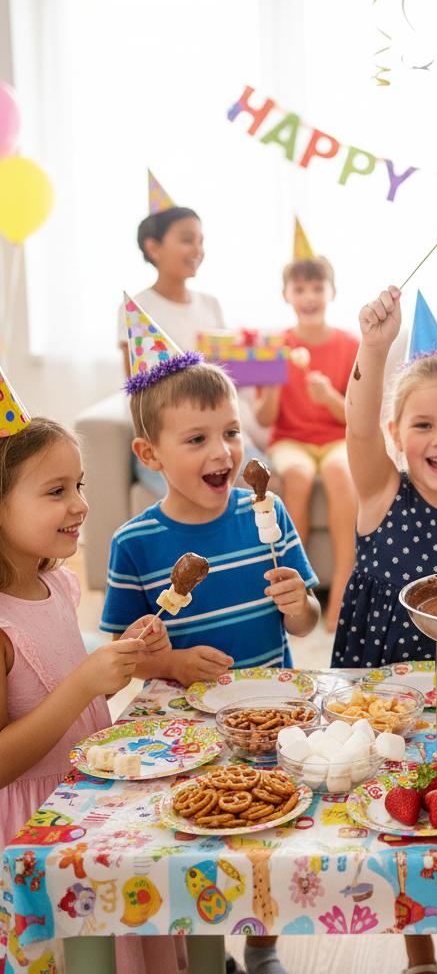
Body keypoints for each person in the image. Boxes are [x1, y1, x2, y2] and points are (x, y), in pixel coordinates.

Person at [102, 308, 319, 974]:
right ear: (150, 455)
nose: (223, 452)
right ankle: (202, 947)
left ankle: (260, 945)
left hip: (271, 715)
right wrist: (167, 658)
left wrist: (300, 604)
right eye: (196, 439)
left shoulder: (269, 514)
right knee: (198, 838)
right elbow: (118, 658)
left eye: (229, 432)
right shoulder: (135, 544)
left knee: (266, 834)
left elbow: (309, 620)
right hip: (181, 726)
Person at [331, 286, 437, 974]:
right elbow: (356, 430)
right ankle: (419, 951)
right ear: (398, 436)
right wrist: (374, 347)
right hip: (388, 692)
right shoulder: (380, 491)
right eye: (423, 425)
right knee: (407, 816)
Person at [0, 400, 180, 973]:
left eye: (77, 485)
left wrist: (118, 662)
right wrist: (84, 683)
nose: (80, 504)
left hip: (92, 800)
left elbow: (62, 695)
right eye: (55, 492)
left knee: (127, 942)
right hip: (36, 826)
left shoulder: (59, 587)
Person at [119, 202, 267, 494]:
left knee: (265, 481)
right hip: (175, 433)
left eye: (201, 241)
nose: (198, 249)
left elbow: (226, 376)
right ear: (154, 247)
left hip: (215, 426)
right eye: (187, 239)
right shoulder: (138, 308)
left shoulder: (210, 304)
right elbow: (137, 389)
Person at [255, 253, 359, 629]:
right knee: (295, 477)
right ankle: (297, 589)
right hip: (290, 441)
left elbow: (354, 417)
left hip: (335, 439)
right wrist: (276, 386)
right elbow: (265, 419)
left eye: (317, 287)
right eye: (300, 288)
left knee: (339, 474)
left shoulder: (349, 345)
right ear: (286, 295)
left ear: (332, 291)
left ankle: (344, 592)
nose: (309, 295)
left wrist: (330, 396)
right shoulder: (274, 345)